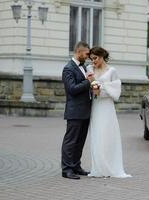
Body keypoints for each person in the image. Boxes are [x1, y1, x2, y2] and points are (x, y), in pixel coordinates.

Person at [88, 46, 131, 178]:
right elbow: (89, 87)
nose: (93, 61)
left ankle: (111, 167)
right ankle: (98, 168)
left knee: (107, 135)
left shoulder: (112, 71)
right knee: (97, 135)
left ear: (101, 57)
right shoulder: (90, 70)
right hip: (95, 106)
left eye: (95, 58)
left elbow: (116, 91)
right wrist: (93, 85)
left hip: (107, 107)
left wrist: (101, 88)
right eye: (91, 59)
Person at [61, 41, 94, 180]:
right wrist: (88, 82)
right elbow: (72, 89)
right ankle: (67, 169)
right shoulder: (68, 68)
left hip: (85, 110)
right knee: (71, 141)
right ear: (79, 52)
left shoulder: (85, 67)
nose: (88, 57)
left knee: (80, 141)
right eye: (86, 54)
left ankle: (76, 166)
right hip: (74, 111)